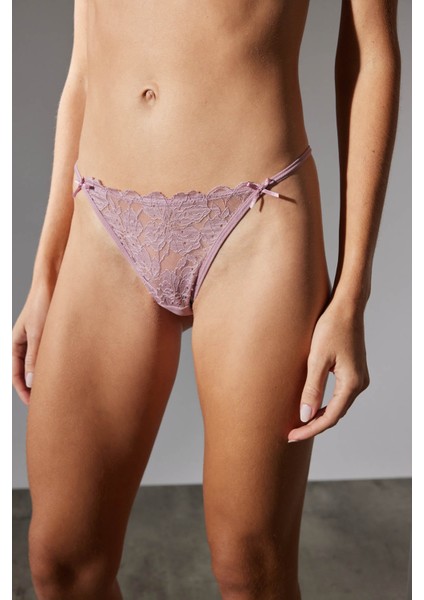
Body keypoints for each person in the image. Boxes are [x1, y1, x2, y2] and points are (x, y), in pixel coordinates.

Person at [12, 1, 401, 598]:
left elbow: (370, 51)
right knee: (62, 563)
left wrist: (352, 294)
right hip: (104, 221)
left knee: (251, 567)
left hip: (257, 214)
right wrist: (47, 270)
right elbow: (84, 64)